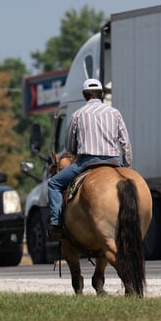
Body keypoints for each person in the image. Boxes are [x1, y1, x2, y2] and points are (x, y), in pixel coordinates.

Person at [47, 78, 133, 240]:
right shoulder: (114, 113)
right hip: (114, 162)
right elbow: (125, 142)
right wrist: (126, 165)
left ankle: (56, 224)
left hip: (86, 162)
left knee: (54, 184)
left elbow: (70, 147)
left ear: (84, 95)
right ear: (101, 94)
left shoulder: (77, 115)